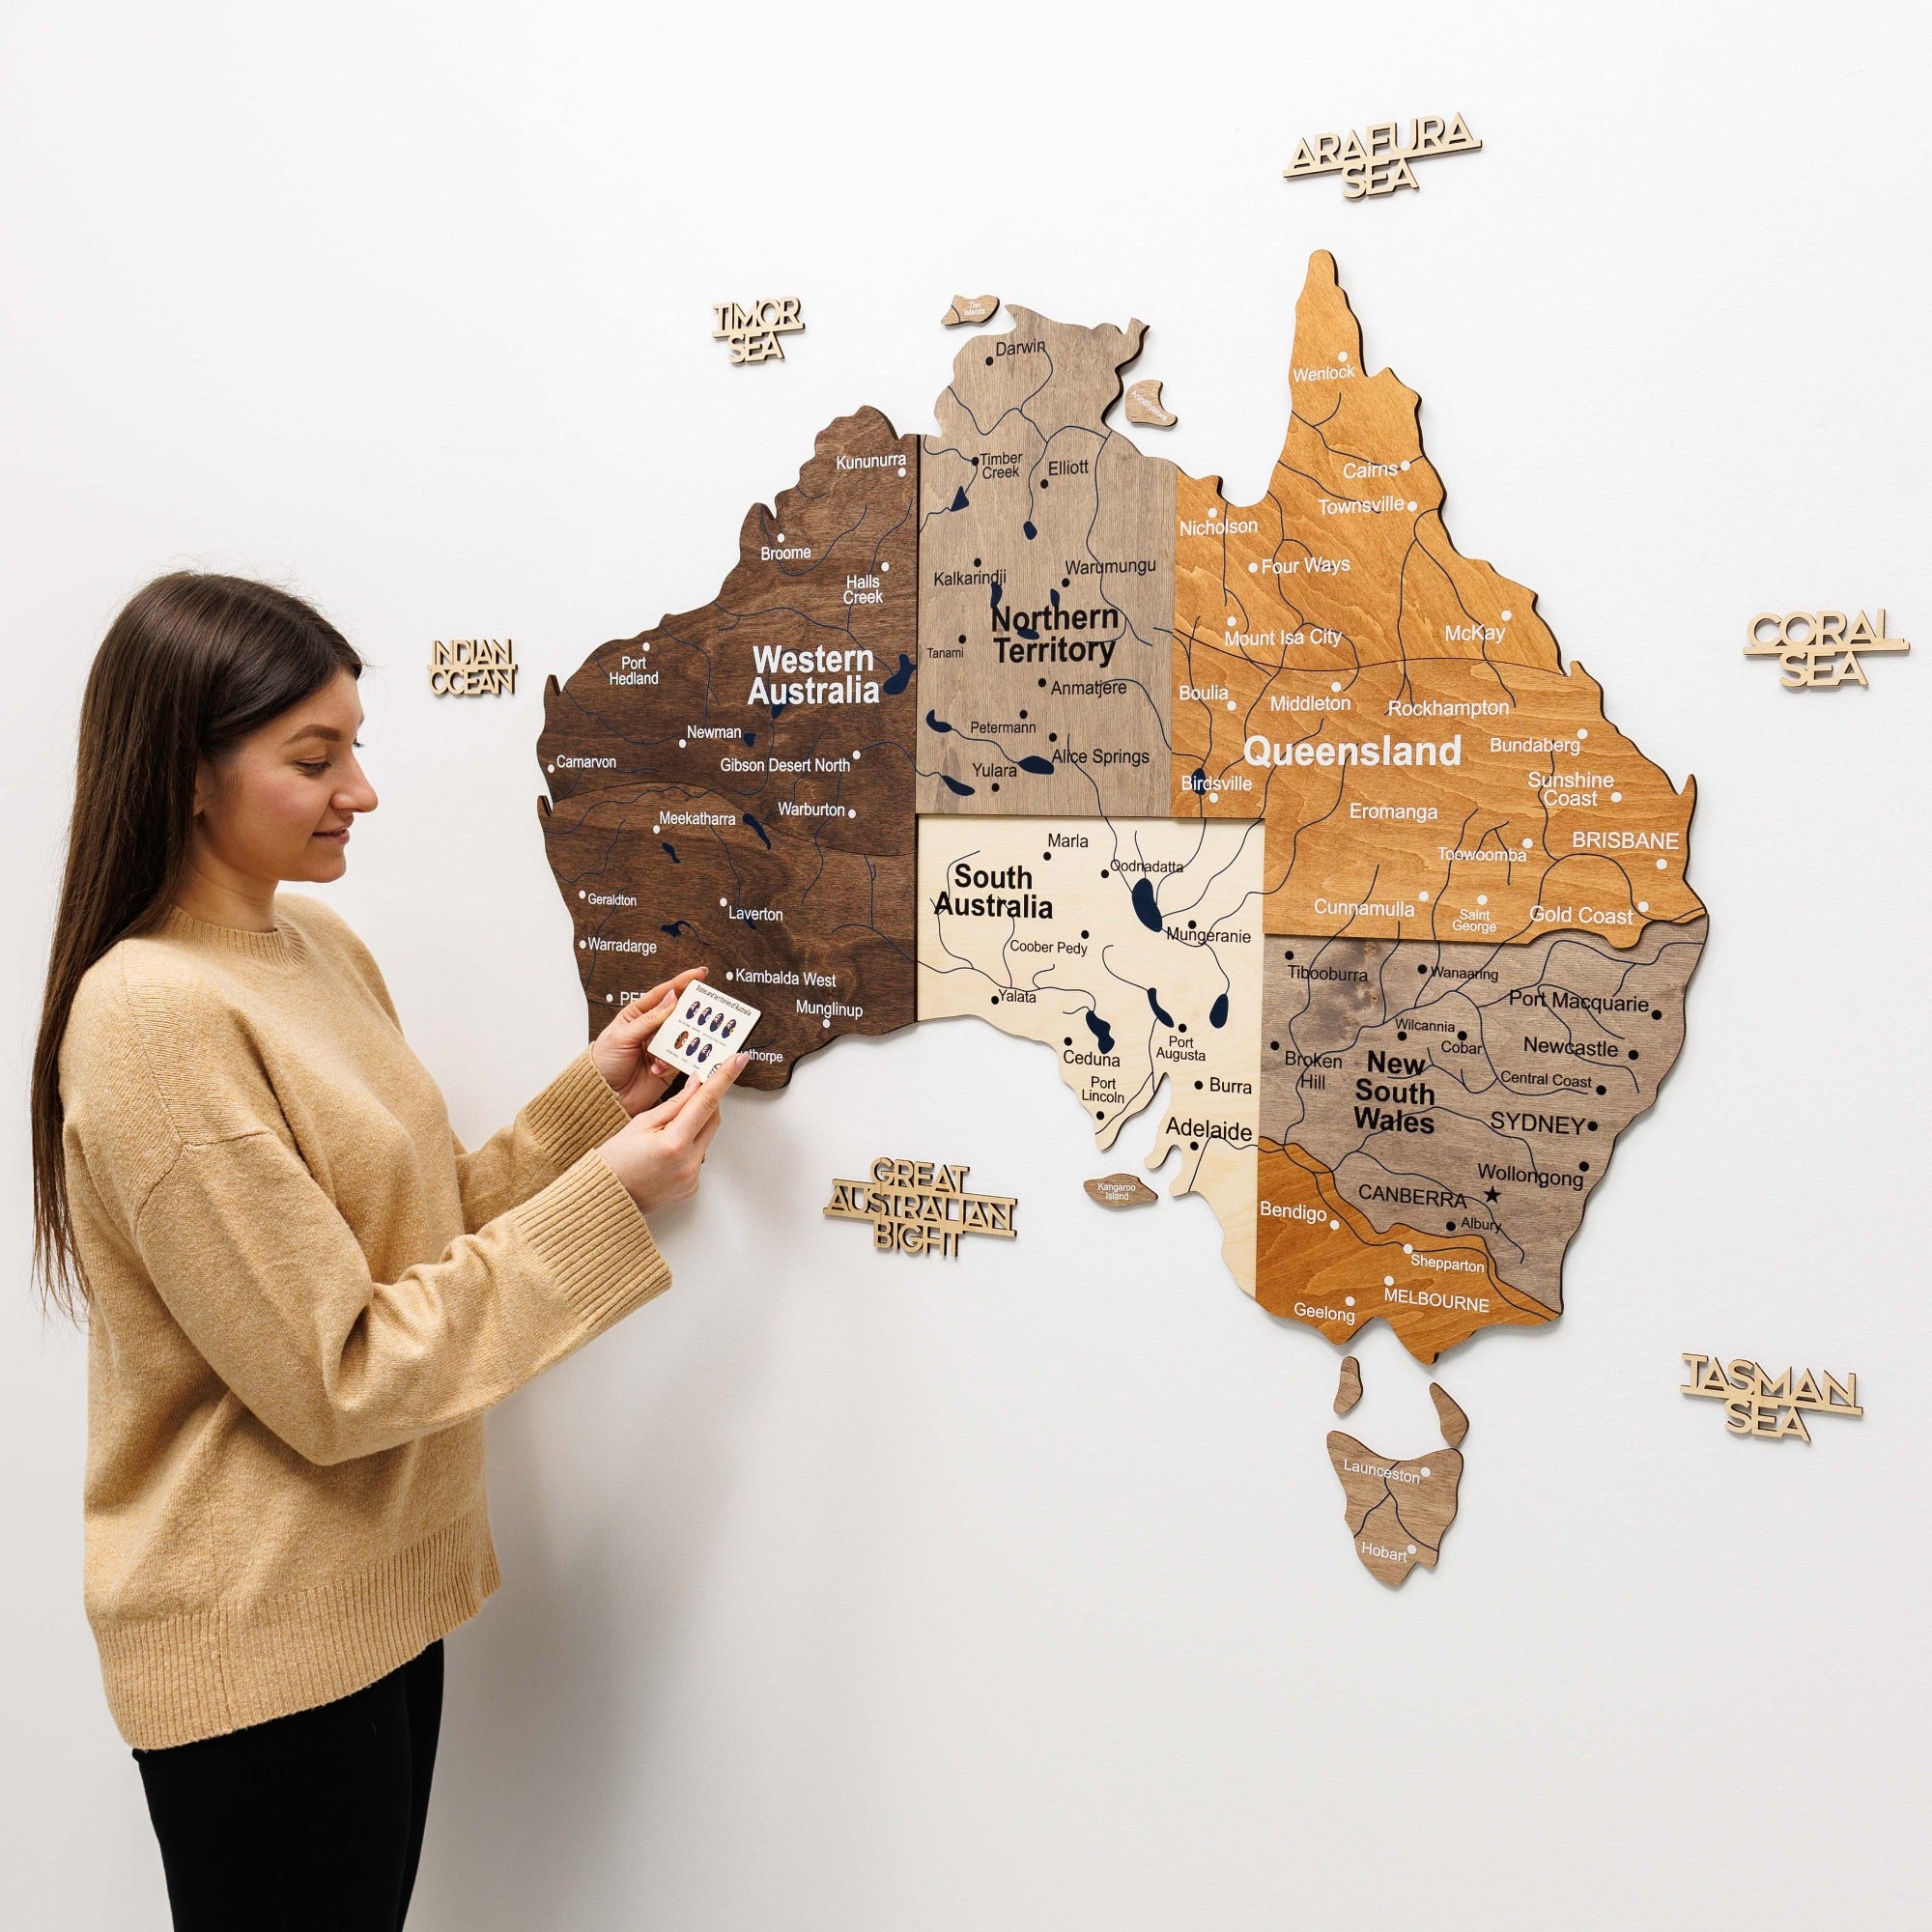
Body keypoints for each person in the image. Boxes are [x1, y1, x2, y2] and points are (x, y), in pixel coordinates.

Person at [28, 573, 745, 1931]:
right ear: (187, 773)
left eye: (354, 744)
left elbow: (397, 1244)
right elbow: (338, 1371)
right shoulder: (149, 1020)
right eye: (316, 757)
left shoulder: (315, 944)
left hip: (369, 1612)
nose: (362, 788)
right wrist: (613, 1200)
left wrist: (592, 1105)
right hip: (262, 1652)